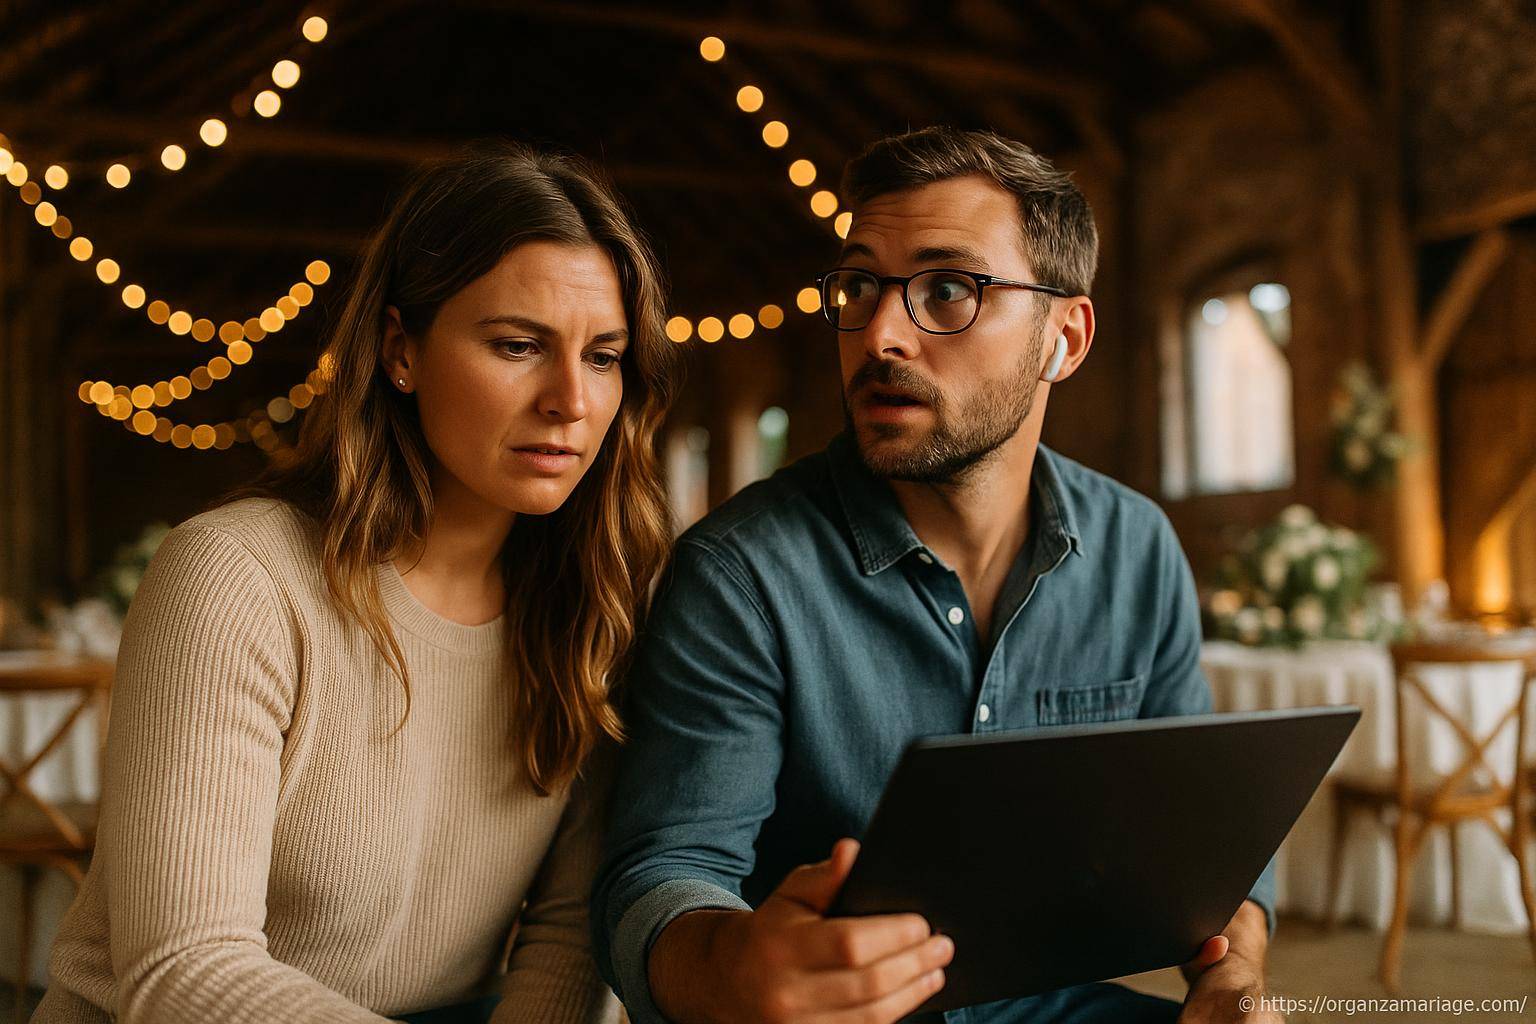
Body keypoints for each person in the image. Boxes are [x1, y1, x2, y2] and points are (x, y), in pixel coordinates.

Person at [591, 127, 1279, 1024]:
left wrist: (1234, 977)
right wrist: (740, 969)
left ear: (1065, 339)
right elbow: (662, 876)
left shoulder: (1136, 546)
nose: (880, 335)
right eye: (859, 287)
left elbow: (1205, 836)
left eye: (948, 289)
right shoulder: (741, 573)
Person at [34, 141, 677, 1024]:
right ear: (399, 350)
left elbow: (569, 937)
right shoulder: (236, 579)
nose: (571, 398)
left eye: (603, 356)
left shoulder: (595, 604)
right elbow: (183, 966)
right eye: (518, 345)